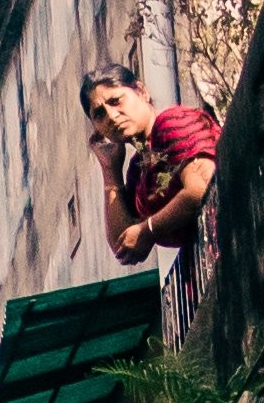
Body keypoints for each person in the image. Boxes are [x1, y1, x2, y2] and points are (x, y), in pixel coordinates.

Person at [84, 68, 218, 263]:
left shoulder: (172, 122)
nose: (111, 116)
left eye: (115, 101)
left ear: (141, 91)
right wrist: (110, 170)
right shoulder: (138, 170)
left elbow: (202, 187)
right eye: (99, 114)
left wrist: (148, 230)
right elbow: (122, 247)